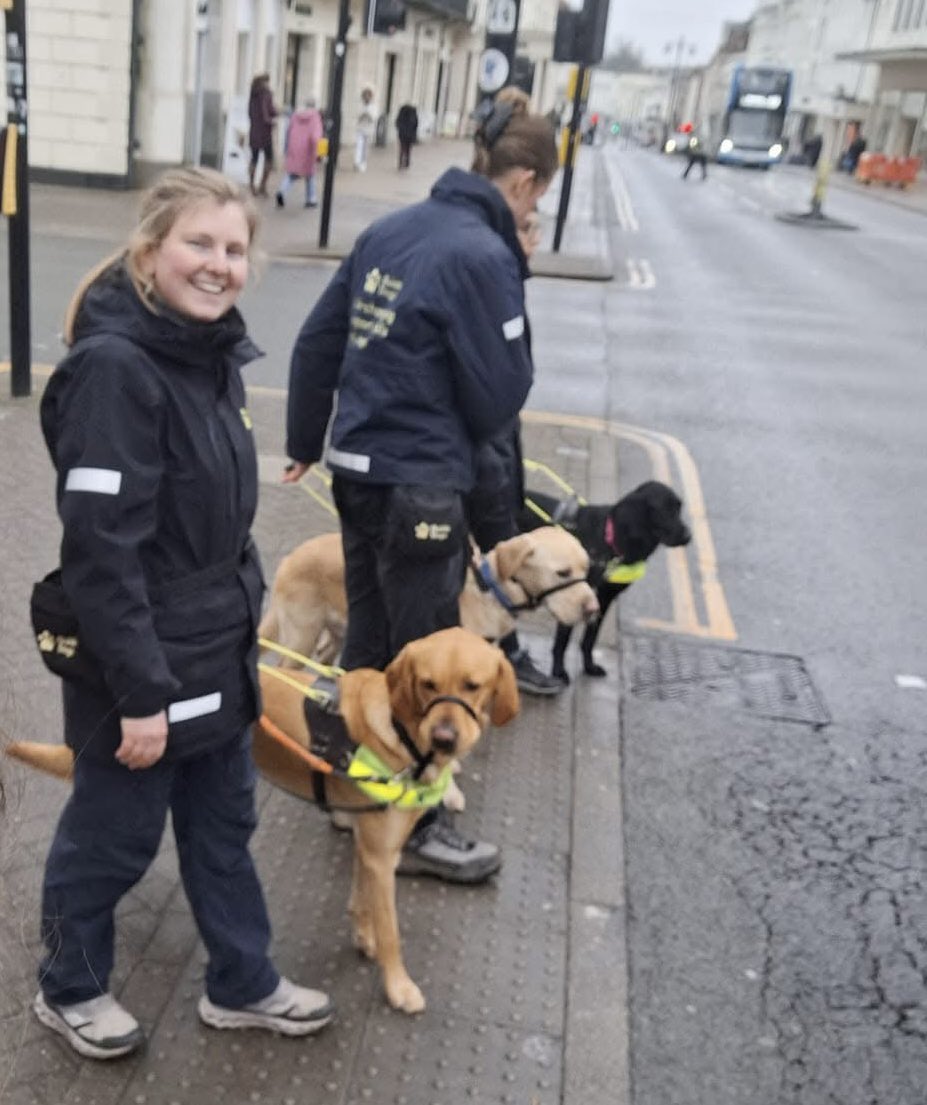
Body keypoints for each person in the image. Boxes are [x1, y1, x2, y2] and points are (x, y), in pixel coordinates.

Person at [33, 167, 333, 1061]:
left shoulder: (210, 359)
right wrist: (138, 695)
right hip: (142, 665)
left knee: (224, 829)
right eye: (198, 243)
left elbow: (215, 529)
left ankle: (241, 981)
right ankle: (71, 986)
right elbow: (102, 553)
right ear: (150, 250)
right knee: (112, 838)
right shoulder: (116, 372)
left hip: (217, 656)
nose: (218, 265)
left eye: (234, 248)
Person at [283, 93, 558, 883]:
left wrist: (306, 440)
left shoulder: (390, 230)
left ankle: (351, 791)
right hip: (425, 492)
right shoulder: (483, 254)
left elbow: (317, 341)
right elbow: (497, 400)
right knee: (429, 669)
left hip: (359, 475)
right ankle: (420, 825)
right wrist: (498, 523)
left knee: (370, 649)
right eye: (538, 197)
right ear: (527, 183)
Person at [276, 97, 324, 208]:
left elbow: (288, 131)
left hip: (294, 147)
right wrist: (319, 152)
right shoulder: (315, 117)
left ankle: (282, 191)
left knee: (291, 174)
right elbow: (315, 136)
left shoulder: (295, 115)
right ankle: (311, 199)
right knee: (310, 175)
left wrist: (287, 148)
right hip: (308, 149)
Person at [248, 73, 278, 197]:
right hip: (265, 133)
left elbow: (250, 113)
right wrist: (272, 120)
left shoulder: (253, 94)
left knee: (254, 159)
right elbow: (267, 112)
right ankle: (262, 185)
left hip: (254, 131)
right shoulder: (266, 93)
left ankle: (251, 185)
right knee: (269, 159)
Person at [354, 84, 378, 172]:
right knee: (359, 146)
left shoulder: (373, 106)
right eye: (365, 95)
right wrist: (362, 114)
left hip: (369, 129)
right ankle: (357, 162)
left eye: (368, 95)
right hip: (360, 128)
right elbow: (357, 115)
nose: (367, 97)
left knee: (365, 148)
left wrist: (368, 114)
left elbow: (374, 117)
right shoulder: (360, 104)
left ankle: (363, 163)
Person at [395, 103, 419, 170]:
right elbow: (416, 124)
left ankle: (400, 162)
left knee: (402, 148)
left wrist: (400, 129)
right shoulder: (413, 113)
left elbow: (397, 122)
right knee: (408, 149)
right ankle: (407, 162)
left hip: (402, 134)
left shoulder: (402, 113)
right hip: (410, 134)